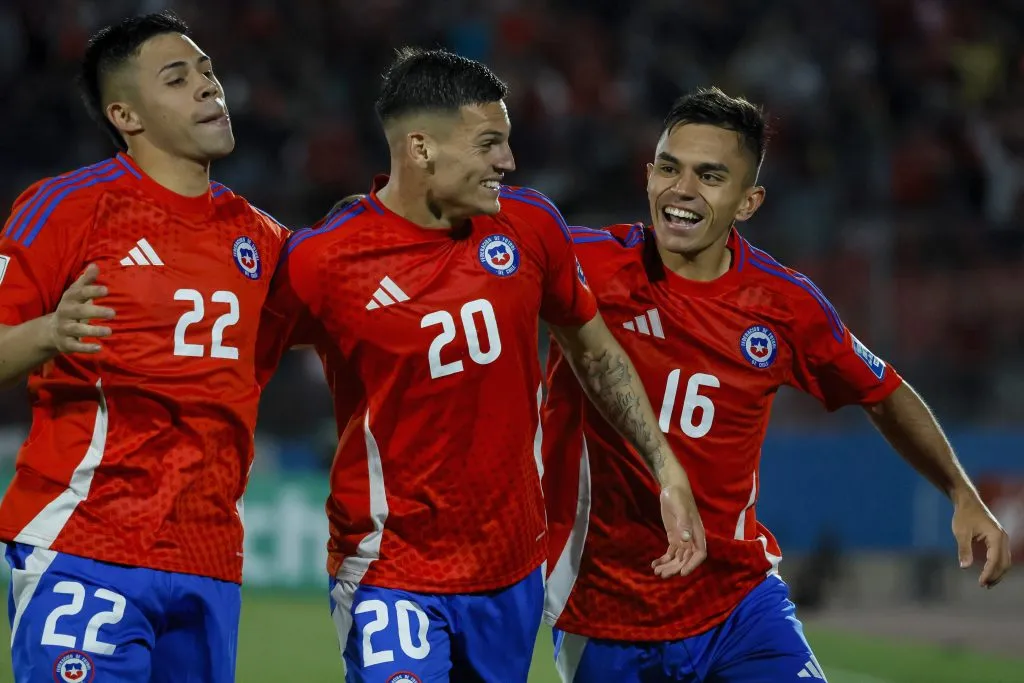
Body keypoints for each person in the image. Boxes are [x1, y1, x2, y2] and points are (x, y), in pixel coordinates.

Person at [256, 48, 707, 683]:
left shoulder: (530, 226)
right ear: (421, 148)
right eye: (490, 143)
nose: (508, 162)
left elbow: (595, 351)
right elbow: (229, 361)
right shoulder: (323, 261)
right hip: (391, 564)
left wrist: (665, 466)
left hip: (509, 571)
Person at [541, 87, 1011, 683]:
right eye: (669, 167)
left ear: (748, 201)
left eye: (710, 176)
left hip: (738, 601)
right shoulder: (582, 265)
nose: (682, 190)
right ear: (648, 175)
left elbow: (883, 393)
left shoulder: (785, 305)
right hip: (603, 612)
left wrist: (962, 491)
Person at [0, 12, 288, 683]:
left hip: (208, 559)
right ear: (125, 114)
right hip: (86, 541)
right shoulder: (66, 209)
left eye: (209, 71)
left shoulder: (264, 240)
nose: (208, 87)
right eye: (178, 77)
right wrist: (47, 333)